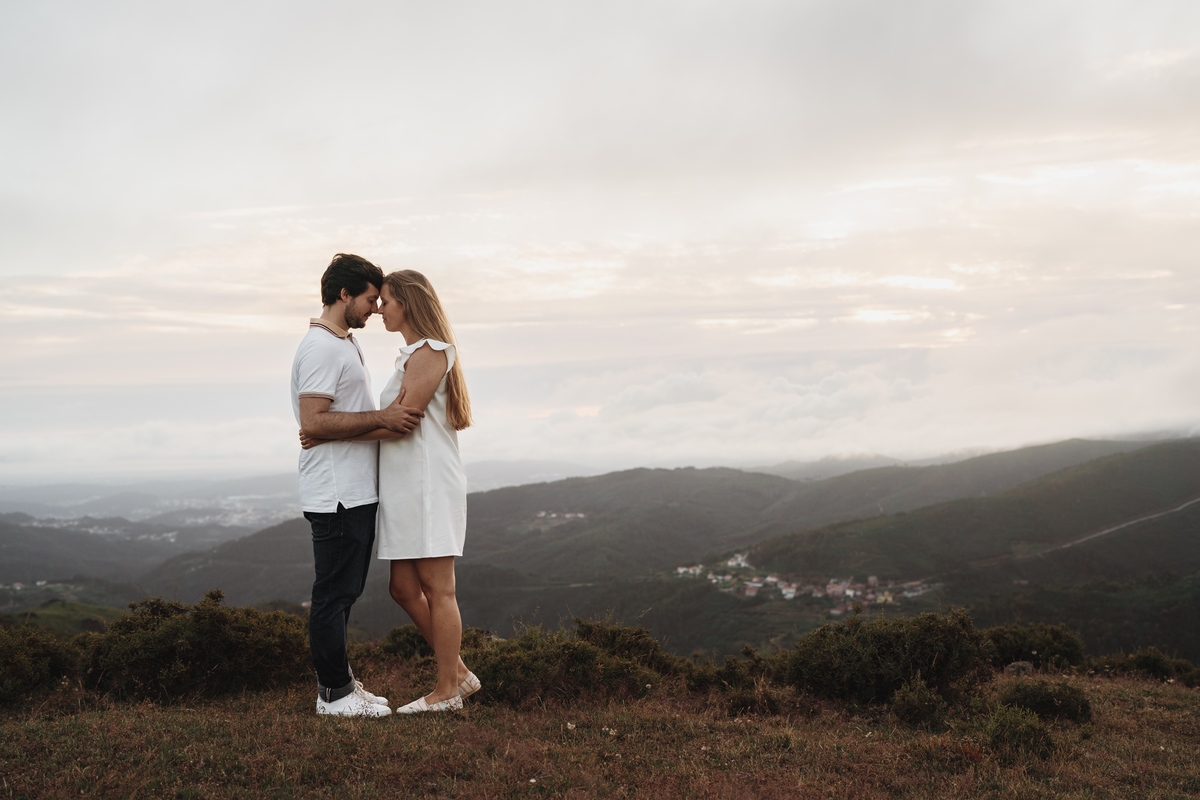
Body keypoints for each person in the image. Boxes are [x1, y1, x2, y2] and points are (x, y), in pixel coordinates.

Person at [301, 268, 478, 714]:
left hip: (426, 483)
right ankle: (457, 671)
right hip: (402, 486)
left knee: (439, 590)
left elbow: (400, 425)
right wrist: (336, 430)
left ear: (409, 303)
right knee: (402, 587)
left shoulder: (430, 353)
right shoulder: (408, 356)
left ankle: (447, 690)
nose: (380, 308)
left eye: (388, 301)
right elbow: (387, 421)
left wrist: (327, 433)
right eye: (376, 300)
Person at [290, 253, 425, 718]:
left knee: (343, 592)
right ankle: (333, 694)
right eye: (370, 298)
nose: (375, 307)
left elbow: (323, 422)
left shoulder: (342, 343)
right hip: (337, 492)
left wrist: (346, 425)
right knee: (333, 594)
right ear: (344, 294)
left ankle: (343, 684)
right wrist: (383, 417)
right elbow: (315, 419)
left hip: (353, 489)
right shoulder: (322, 348)